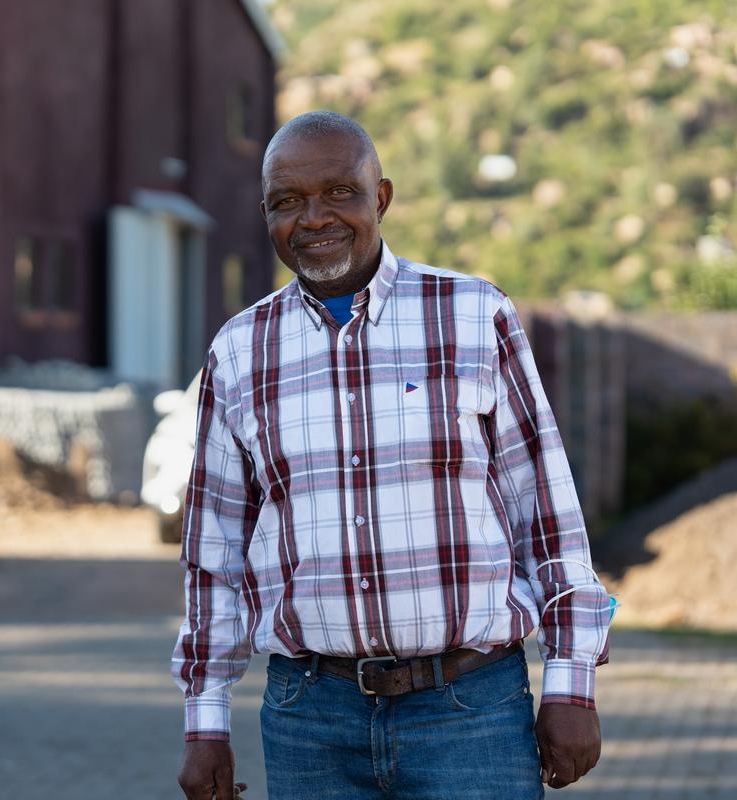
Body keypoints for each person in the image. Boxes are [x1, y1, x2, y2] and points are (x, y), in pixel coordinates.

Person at [172, 111, 610, 799]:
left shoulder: (474, 315)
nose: (313, 218)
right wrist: (205, 724)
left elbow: (546, 513)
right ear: (265, 214)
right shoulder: (238, 352)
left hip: (472, 711)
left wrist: (572, 682)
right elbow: (214, 553)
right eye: (286, 202)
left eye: (339, 192)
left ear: (380, 197)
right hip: (308, 719)